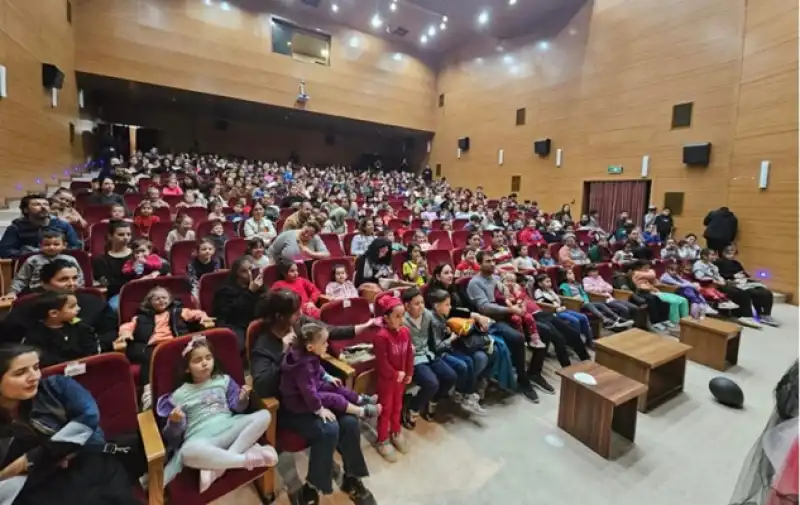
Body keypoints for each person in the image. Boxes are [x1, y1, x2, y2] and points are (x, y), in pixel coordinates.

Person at [250, 290, 378, 505]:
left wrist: (361, 327)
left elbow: (328, 331)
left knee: (349, 421)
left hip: (315, 393)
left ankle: (352, 477)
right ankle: (313, 485)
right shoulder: (264, 343)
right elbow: (262, 386)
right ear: (280, 316)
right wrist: (284, 352)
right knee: (329, 428)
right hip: (290, 405)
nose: (300, 315)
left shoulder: (300, 325)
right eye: (295, 313)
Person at [0, 344, 141, 505]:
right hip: (37, 484)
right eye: (20, 373)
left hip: (90, 463)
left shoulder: (57, 386)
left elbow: (88, 418)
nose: (34, 376)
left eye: (36, 367)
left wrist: (29, 460)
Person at [156, 335, 277, 493]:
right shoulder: (179, 394)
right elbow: (172, 437)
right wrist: (174, 422)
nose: (205, 363)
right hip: (201, 438)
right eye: (197, 360)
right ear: (187, 368)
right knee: (186, 453)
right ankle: (242, 460)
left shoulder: (224, 380)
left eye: (208, 357)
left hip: (229, 426)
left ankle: (219, 467)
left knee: (264, 415)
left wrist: (242, 399)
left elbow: (237, 408)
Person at [466, 251, 547, 401]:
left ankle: (534, 373)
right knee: (518, 338)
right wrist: (511, 309)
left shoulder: (496, 278)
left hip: (508, 315)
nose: (491, 263)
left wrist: (517, 303)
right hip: (491, 321)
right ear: (479, 264)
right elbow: (484, 307)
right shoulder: (475, 283)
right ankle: (523, 381)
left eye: (493, 261)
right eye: (487, 261)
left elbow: (508, 296)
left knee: (545, 331)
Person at [116, 286, 211, 406]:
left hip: (175, 343)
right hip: (153, 347)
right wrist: (125, 334)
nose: (161, 301)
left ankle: (195, 388)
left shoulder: (178, 311)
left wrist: (203, 317)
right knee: (149, 358)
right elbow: (126, 327)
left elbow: (195, 314)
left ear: (170, 299)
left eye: (164, 298)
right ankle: (149, 395)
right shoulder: (141, 317)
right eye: (157, 299)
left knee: (189, 355)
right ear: (150, 302)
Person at [281, 323, 381, 421]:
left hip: (312, 387)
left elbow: (317, 367)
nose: (327, 345)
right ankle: (362, 412)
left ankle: (360, 400)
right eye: (324, 342)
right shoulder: (302, 368)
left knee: (335, 386)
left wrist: (327, 377)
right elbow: (308, 392)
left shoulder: (307, 355)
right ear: (310, 347)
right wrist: (319, 410)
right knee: (333, 398)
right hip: (299, 400)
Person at [372, 296, 413, 462]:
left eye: (403, 315)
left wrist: (409, 372)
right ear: (386, 318)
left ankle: (396, 432)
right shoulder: (381, 337)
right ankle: (382, 440)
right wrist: (396, 374)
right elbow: (382, 363)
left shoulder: (405, 332)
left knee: (398, 406)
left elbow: (410, 354)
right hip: (387, 381)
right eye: (397, 316)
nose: (401, 320)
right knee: (386, 409)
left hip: (400, 380)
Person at [23, 292, 107, 368]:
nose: (79, 308)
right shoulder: (35, 336)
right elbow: (45, 362)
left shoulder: (83, 328)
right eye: (72, 307)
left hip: (86, 369)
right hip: (55, 375)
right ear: (54, 313)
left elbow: (92, 352)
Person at [0, 194, 81, 258]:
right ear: (25, 210)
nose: (43, 207)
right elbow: (4, 251)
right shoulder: (16, 227)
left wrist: (53, 251)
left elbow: (75, 247)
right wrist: (31, 253)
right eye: (37, 205)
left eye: (46, 204)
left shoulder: (63, 225)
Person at [716, 245, 779, 327]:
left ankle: (764, 314)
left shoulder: (736, 263)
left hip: (742, 282)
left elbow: (744, 274)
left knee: (764, 292)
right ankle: (746, 315)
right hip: (728, 283)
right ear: (723, 252)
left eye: (733, 251)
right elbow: (718, 275)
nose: (731, 253)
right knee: (743, 293)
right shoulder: (718, 262)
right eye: (729, 251)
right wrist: (733, 277)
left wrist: (743, 276)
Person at [532, 274, 595, 354]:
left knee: (583, 317)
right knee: (575, 321)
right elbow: (543, 304)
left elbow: (557, 299)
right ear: (540, 283)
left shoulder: (550, 290)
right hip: (554, 313)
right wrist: (556, 307)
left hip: (562, 309)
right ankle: (574, 343)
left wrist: (560, 305)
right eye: (547, 282)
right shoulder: (538, 292)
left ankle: (589, 341)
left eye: (550, 281)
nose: (549, 283)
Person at [9, 230, 84, 296]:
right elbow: (21, 279)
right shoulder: (32, 260)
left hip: (65, 292)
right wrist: (12, 292)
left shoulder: (70, 260)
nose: (51, 247)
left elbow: (79, 277)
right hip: (37, 294)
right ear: (40, 246)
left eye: (56, 244)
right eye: (47, 245)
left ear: (64, 245)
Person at [212, 257, 265, 349]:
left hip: (253, 320)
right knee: (240, 346)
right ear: (236, 274)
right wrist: (250, 292)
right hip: (234, 323)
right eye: (244, 271)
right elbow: (232, 312)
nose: (249, 273)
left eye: (250, 269)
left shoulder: (257, 286)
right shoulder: (225, 290)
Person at [558, 268, 633, 329]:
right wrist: (580, 300)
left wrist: (586, 300)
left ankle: (617, 318)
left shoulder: (577, 284)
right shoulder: (563, 286)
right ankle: (605, 320)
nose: (573, 275)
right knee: (589, 305)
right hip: (576, 304)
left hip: (585, 302)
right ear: (564, 276)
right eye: (570, 273)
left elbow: (583, 293)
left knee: (601, 304)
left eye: (573, 273)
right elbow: (567, 297)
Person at [631, 260, 688, 328]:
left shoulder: (648, 275)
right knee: (674, 302)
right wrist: (651, 286)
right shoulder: (636, 274)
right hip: (650, 293)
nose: (647, 270)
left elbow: (657, 283)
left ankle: (686, 321)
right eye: (645, 268)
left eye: (648, 268)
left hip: (657, 291)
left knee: (684, 300)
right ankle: (675, 322)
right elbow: (650, 277)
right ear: (639, 268)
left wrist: (659, 284)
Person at [93, 220, 135, 309]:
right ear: (110, 236)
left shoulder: (138, 254)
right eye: (121, 235)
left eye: (129, 234)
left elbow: (164, 266)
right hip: (119, 295)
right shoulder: (100, 260)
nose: (126, 237)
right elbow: (111, 285)